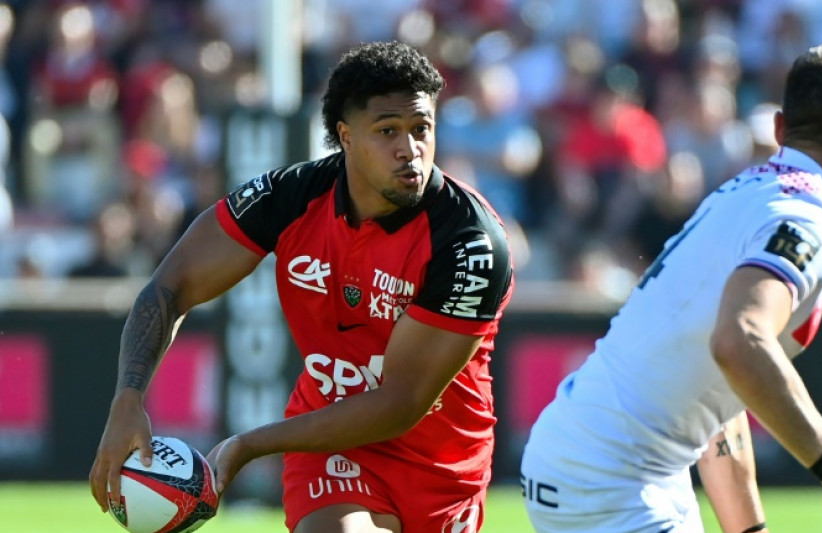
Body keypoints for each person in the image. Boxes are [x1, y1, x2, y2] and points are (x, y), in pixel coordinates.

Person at [89, 41, 514, 533]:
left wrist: (249, 444)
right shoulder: (291, 197)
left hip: (438, 465)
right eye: (387, 131)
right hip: (330, 448)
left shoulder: (470, 243)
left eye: (422, 129)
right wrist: (127, 400)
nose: (409, 149)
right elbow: (171, 286)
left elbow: (400, 403)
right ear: (345, 136)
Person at [521, 41, 822, 533]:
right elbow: (740, 340)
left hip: (594, 456)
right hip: (612, 481)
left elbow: (720, 395)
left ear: (779, 130)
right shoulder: (809, 221)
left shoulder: (739, 193)